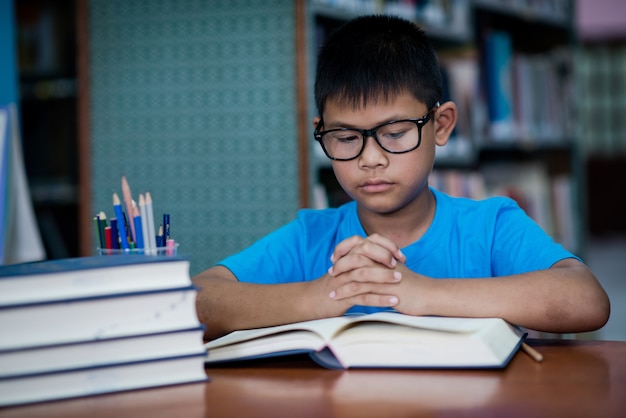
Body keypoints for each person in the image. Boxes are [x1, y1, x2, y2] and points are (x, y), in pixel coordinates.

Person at [193, 15, 610, 340]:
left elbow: (586, 300)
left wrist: (421, 292)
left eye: (394, 134)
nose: (370, 159)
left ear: (441, 125)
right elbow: (197, 302)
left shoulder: (490, 225)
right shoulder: (310, 237)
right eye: (344, 137)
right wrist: (325, 294)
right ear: (322, 130)